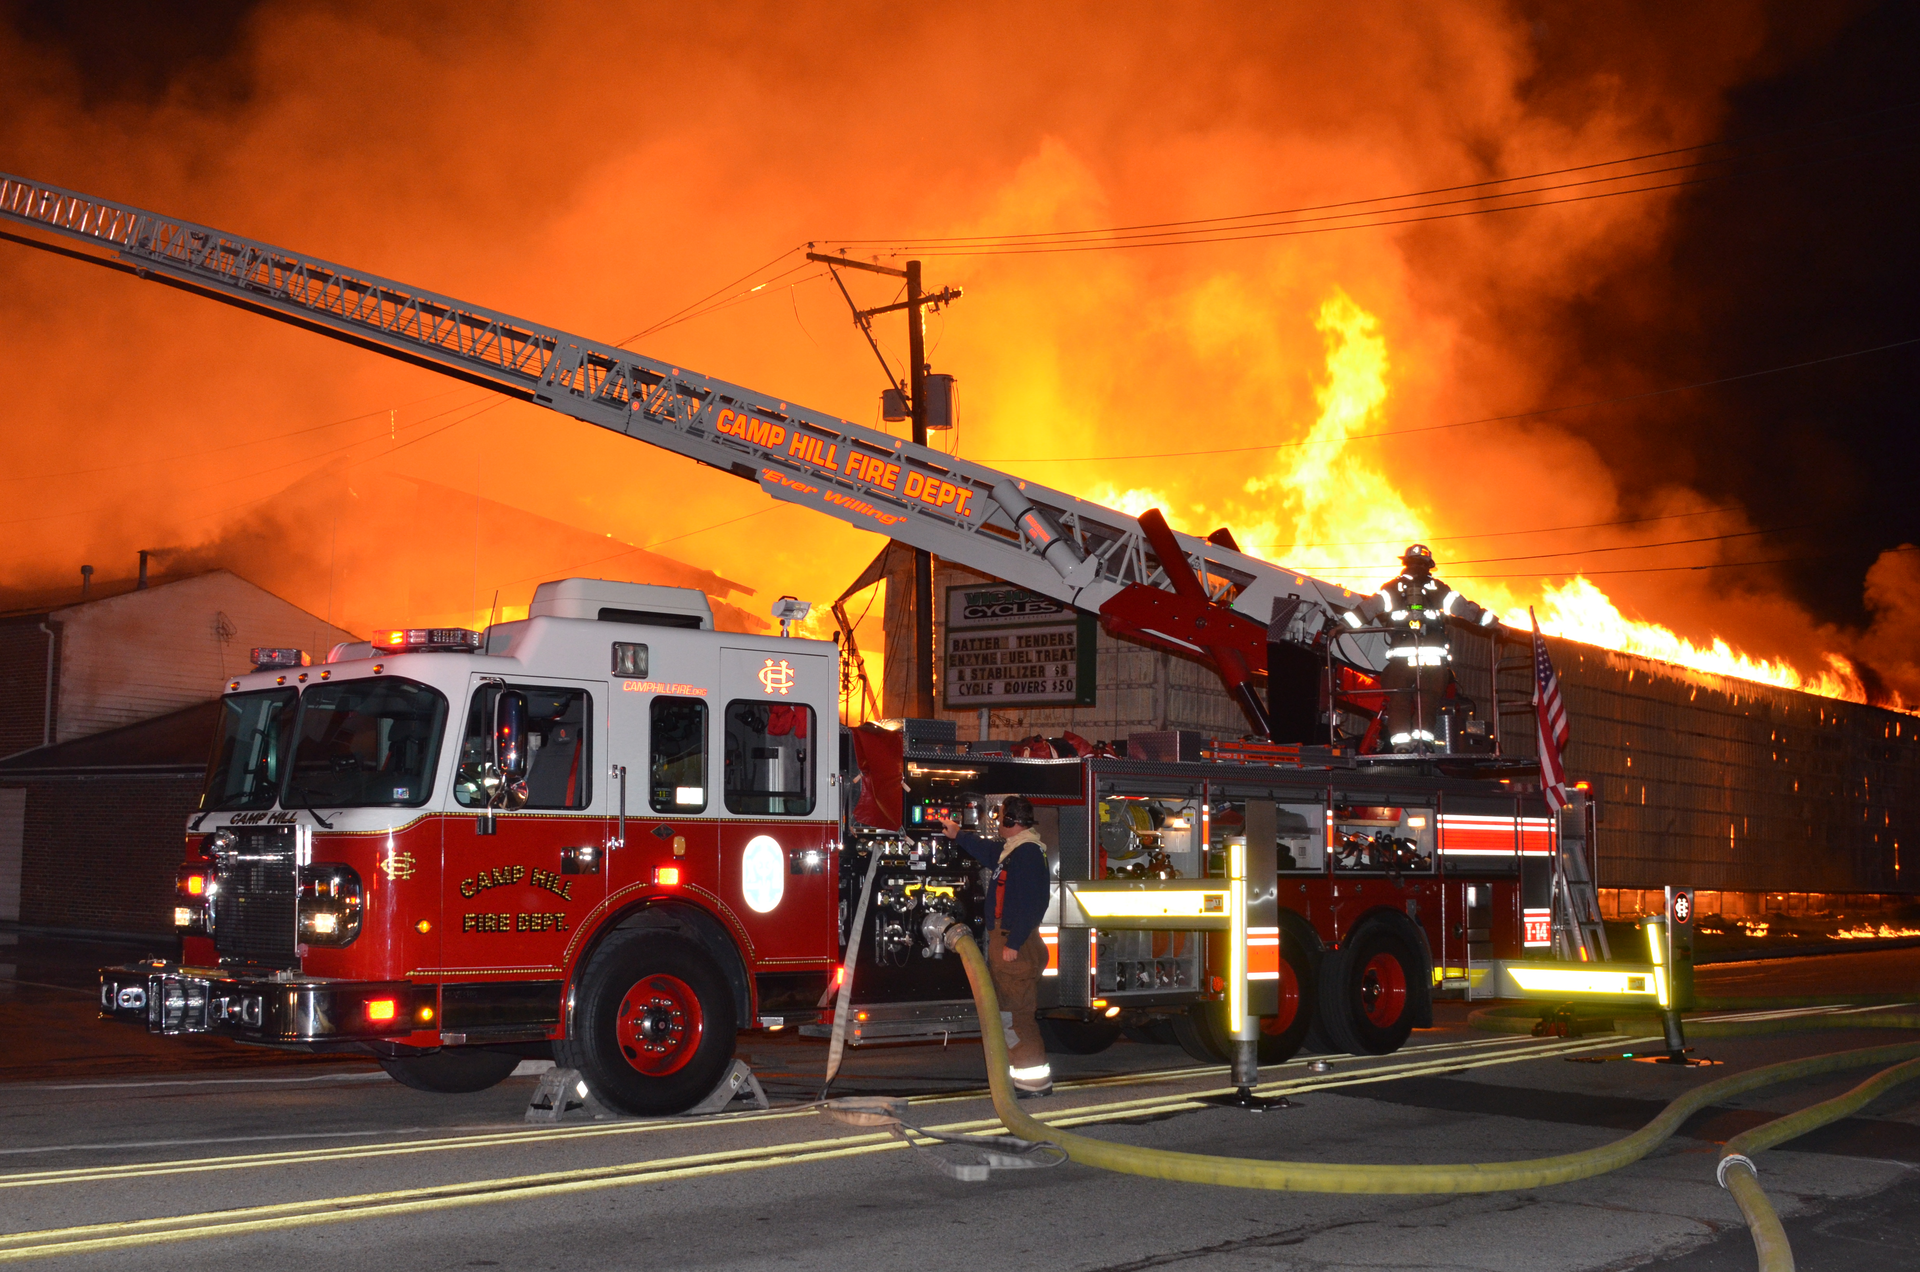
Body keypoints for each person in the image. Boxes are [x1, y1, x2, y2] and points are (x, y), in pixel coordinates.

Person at [938, 796, 1053, 1098]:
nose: (998, 822)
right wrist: (958, 834)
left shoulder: (1027, 853)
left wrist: (1013, 943)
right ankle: (1021, 1078)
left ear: (1010, 821)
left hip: (1015, 943)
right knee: (1007, 1013)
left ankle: (1034, 1082)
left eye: (1000, 817)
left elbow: (1035, 903)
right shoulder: (1015, 850)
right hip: (1009, 940)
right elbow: (990, 852)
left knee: (1016, 1016)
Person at [1339, 544, 1498, 752]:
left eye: (1417, 565)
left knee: (1402, 699)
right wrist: (1494, 624)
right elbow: (1467, 610)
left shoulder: (1394, 589)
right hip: (1430, 662)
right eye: (1417, 564)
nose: (1417, 569)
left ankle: (1405, 744)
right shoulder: (1438, 590)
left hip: (1402, 661)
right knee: (1424, 700)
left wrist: (1340, 626)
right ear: (1428, 566)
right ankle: (1418, 743)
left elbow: (1368, 608)